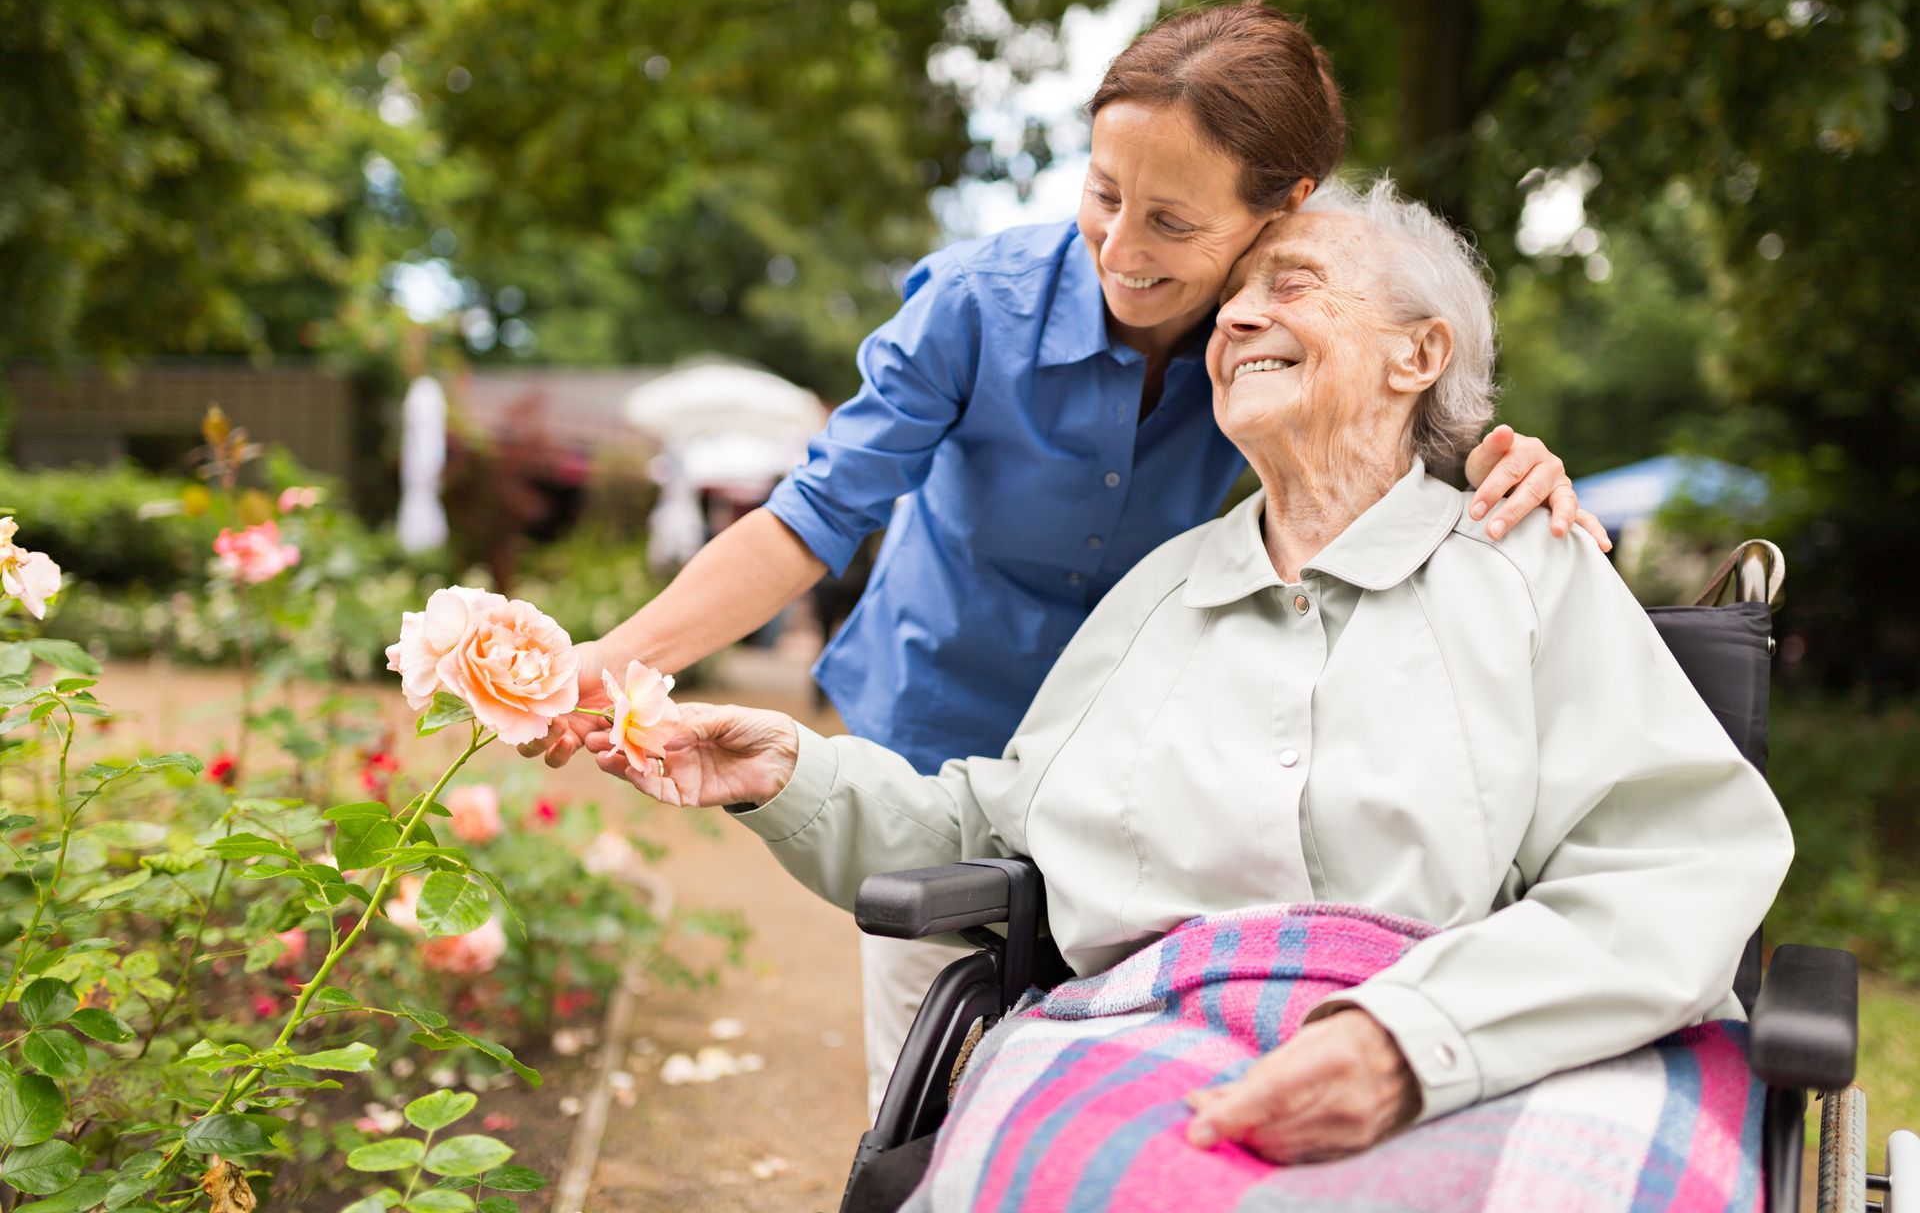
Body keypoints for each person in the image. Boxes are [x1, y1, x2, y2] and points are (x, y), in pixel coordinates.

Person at [583, 177, 1793, 1208]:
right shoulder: (1164, 589)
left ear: (1418, 354)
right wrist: (788, 770)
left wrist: (1415, 1039)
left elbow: (1678, 863)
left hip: (1496, 1033)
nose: (1240, 318)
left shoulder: (1527, 566)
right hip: (1150, 1036)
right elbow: (997, 831)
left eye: (1298, 283)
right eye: (1234, 301)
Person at [530, 0, 1607, 1115]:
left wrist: (1498, 454)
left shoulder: (1267, 337)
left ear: (1281, 210)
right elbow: (813, 512)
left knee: (1101, 1084)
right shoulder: (973, 306)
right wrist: (615, 657)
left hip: (1137, 775)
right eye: (1103, 195)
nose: (1124, 250)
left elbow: (1386, 426)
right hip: (936, 727)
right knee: (927, 1088)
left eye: (1173, 224)